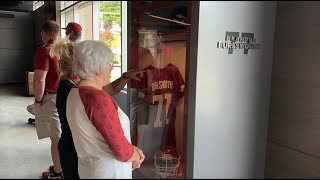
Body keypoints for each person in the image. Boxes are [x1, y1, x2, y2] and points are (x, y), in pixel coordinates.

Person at [51, 39, 145, 179]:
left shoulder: (76, 91)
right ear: (97, 68)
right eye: (109, 63)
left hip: (90, 169)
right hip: (109, 172)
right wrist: (136, 155)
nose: (111, 67)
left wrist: (125, 76)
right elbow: (121, 150)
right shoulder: (97, 98)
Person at [32, 20, 63, 179]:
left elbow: (39, 80)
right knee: (65, 135)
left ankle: (58, 173)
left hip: (51, 98)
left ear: (44, 33)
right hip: (66, 96)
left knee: (56, 138)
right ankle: (62, 165)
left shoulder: (45, 51)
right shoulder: (66, 48)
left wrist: (37, 102)